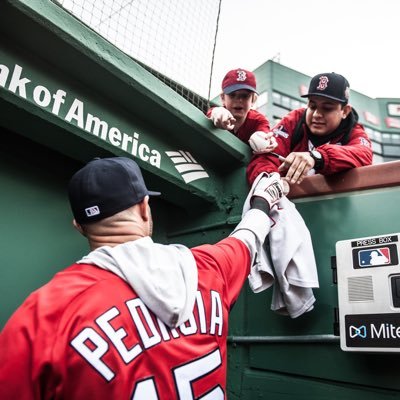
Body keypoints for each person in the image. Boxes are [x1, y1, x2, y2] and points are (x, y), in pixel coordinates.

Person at [0, 156, 285, 399]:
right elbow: (247, 237)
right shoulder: (208, 266)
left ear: (79, 227)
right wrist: (261, 203)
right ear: (143, 207)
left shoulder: (44, 315)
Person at [247, 72, 373, 186]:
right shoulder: (294, 120)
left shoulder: (354, 131)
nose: (317, 114)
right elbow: (266, 156)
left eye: (327, 108)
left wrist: (317, 156)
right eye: (312, 106)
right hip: (287, 204)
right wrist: (269, 183)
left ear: (345, 111)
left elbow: (364, 155)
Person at [207, 68, 277, 153]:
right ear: (222, 98)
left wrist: (268, 140)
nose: (239, 100)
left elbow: (265, 134)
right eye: (232, 95)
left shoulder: (258, 120)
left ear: (253, 100)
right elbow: (214, 113)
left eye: (245, 96)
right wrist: (216, 113)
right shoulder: (219, 112)